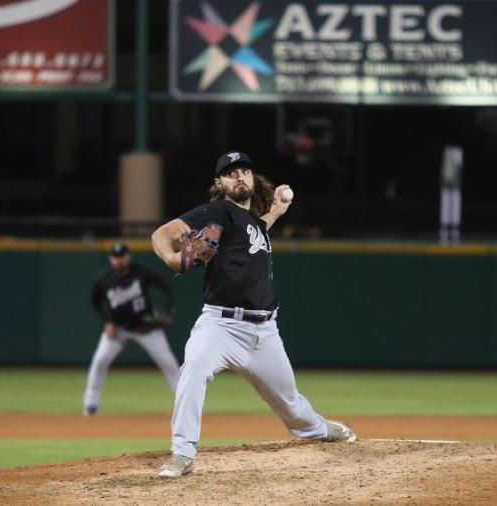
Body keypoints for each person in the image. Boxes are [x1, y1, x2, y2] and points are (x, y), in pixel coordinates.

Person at [150, 151, 356, 478]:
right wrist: (172, 260)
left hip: (265, 334)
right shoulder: (216, 212)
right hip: (220, 327)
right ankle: (183, 453)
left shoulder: (253, 223)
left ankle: (318, 428)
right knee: (194, 369)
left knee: (290, 403)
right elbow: (161, 234)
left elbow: (260, 225)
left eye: (244, 171)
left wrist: (277, 208)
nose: (240, 176)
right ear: (219, 182)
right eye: (231, 173)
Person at [82, 243, 180, 416]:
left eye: (122, 256)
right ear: (111, 260)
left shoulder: (140, 273)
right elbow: (95, 302)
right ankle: (91, 404)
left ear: (128, 257)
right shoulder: (104, 280)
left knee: (169, 364)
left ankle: (184, 403)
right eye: (115, 257)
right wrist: (107, 322)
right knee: (100, 360)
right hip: (119, 329)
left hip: (146, 328)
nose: (119, 261)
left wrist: (169, 311)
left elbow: (167, 286)